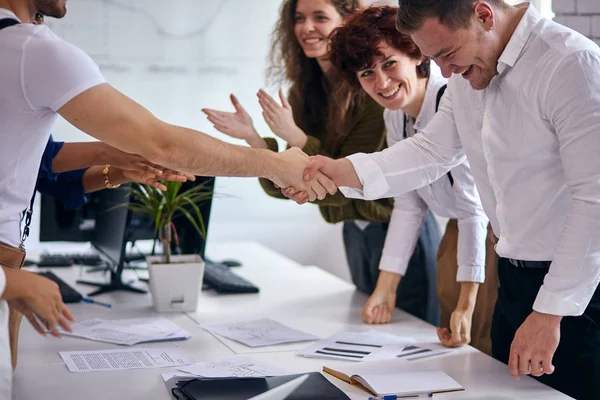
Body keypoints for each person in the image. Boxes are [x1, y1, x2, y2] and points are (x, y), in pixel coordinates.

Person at [0, 1, 335, 395]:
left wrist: (115, 158)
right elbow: (163, 142)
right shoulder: (31, 50)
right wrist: (276, 165)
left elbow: (33, 155)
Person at [303, 1, 600, 398]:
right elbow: (431, 152)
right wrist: (338, 172)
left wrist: (549, 312)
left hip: (578, 292)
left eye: (445, 54)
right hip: (513, 278)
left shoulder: (571, 63)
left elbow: (595, 199)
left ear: (484, 15)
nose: (443, 73)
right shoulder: (469, 69)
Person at [202, 0, 441, 325]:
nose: (306, 27)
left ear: (347, 21)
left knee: (413, 337)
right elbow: (292, 180)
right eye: (299, 18)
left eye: (320, 17)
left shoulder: (376, 91)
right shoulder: (306, 91)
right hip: (354, 233)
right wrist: (255, 140)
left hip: (397, 227)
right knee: (370, 335)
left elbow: (357, 176)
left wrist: (298, 139)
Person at [322, 5, 497, 354]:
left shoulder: (453, 98)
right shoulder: (395, 116)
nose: (382, 83)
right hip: (457, 230)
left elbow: (472, 208)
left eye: (389, 64)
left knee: (482, 340)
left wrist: (467, 301)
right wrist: (386, 287)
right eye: (367, 74)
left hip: (493, 233)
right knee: (454, 344)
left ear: (416, 54)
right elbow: (409, 203)